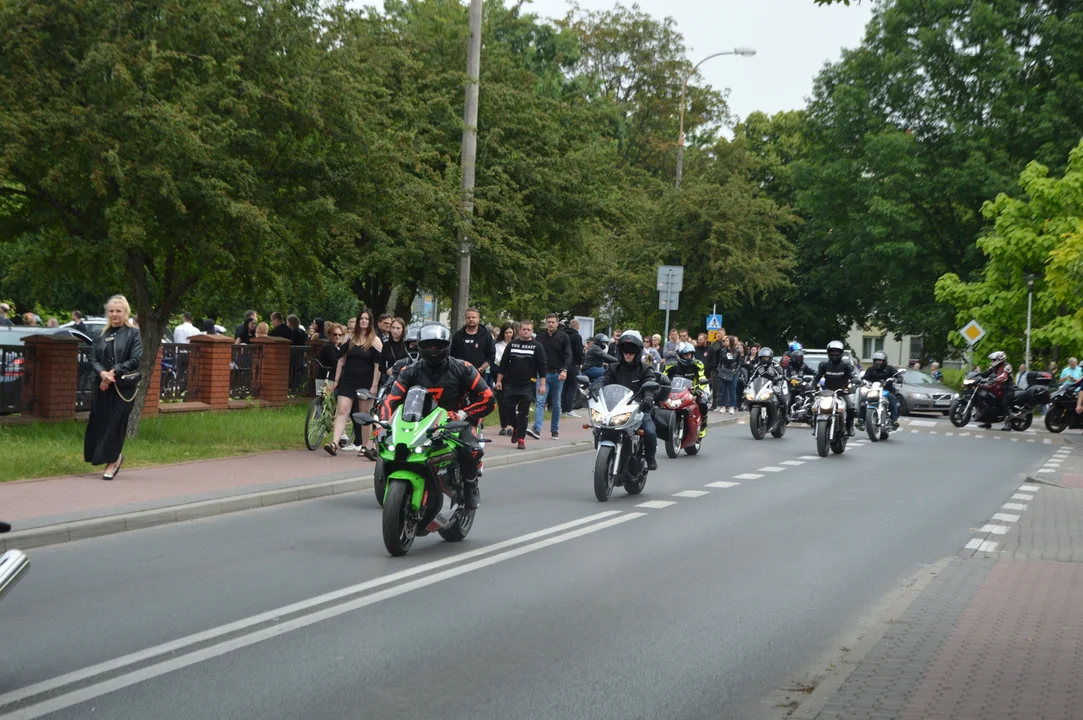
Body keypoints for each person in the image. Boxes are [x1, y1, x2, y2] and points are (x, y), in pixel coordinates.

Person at [380, 324, 494, 508]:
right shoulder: (409, 371)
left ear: (447, 345)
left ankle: (471, 485)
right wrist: (383, 422)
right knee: (391, 445)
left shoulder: (463, 368)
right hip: (419, 421)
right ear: (420, 345)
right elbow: (391, 399)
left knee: (471, 449)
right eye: (428, 345)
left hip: (455, 421)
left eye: (437, 345)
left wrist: (464, 413)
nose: (433, 349)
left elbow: (488, 398)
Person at [84, 295, 143, 480]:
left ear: (126, 313)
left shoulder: (133, 333)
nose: (114, 314)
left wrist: (112, 374)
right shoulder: (99, 334)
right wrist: (103, 374)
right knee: (101, 421)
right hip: (101, 385)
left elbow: (134, 360)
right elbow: (92, 358)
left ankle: (113, 461)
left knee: (115, 424)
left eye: (118, 311)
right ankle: (112, 455)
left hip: (122, 388)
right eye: (111, 311)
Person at [601, 330, 663, 470]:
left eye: (632, 350)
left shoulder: (645, 369)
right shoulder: (613, 368)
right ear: (620, 351)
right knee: (599, 426)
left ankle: (650, 457)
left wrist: (648, 396)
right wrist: (592, 390)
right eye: (625, 350)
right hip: (616, 408)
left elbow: (651, 383)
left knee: (649, 431)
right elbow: (603, 382)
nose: (628, 353)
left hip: (639, 409)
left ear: (638, 352)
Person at [326, 309, 383, 458]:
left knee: (364, 415)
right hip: (348, 380)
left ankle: (364, 446)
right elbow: (340, 361)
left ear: (370, 322)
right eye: (361, 318)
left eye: (366, 319)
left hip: (366, 382)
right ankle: (334, 444)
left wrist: (375, 385)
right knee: (342, 411)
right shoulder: (349, 338)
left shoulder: (375, 341)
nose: (364, 321)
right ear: (358, 321)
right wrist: (337, 380)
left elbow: (378, 365)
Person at [496, 320, 547, 450]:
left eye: (528, 330)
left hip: (528, 384)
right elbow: (504, 363)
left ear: (532, 331)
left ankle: (521, 439)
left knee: (523, 412)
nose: (526, 331)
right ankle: (516, 428)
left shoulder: (537, 346)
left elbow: (542, 367)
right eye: (523, 329)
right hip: (511, 383)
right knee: (508, 409)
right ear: (519, 331)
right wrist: (499, 381)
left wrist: (542, 385)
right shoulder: (512, 345)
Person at [530, 313, 571, 440]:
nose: (551, 324)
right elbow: (535, 354)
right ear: (546, 323)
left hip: (557, 374)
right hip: (542, 374)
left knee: (556, 403)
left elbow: (568, 355)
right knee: (540, 401)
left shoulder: (563, 337)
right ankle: (537, 429)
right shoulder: (540, 337)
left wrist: (564, 370)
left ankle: (554, 430)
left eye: (553, 322)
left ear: (557, 323)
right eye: (548, 322)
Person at [813, 340, 859, 436]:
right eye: (832, 351)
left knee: (851, 408)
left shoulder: (846, 365)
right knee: (815, 407)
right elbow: (817, 378)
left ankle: (849, 426)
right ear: (828, 352)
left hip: (842, 392)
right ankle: (816, 426)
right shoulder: (824, 365)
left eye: (837, 351)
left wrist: (854, 383)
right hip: (827, 392)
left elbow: (853, 376)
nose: (834, 354)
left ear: (841, 353)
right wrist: (812, 386)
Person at [664, 341, 709, 439]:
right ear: (680, 355)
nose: (689, 357)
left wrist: (700, 390)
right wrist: (661, 389)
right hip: (675, 392)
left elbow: (702, 377)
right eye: (686, 354)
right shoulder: (671, 365)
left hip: (694, 390)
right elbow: (663, 378)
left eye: (690, 354)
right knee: (659, 404)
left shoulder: (698, 364)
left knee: (703, 403)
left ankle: (703, 425)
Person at [450, 307, 496, 388]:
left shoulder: (486, 336)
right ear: (465, 319)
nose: (471, 319)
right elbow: (451, 355)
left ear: (478, 318)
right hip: (460, 376)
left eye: (473, 317)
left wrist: (482, 368)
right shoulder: (458, 335)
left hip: (479, 376)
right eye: (468, 317)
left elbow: (491, 355)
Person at [858, 351, 900, 430]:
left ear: (884, 361)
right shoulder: (871, 369)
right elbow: (865, 377)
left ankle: (893, 420)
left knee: (893, 399)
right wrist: (862, 381)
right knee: (863, 399)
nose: (878, 362)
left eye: (880, 361)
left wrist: (899, 378)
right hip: (873, 390)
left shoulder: (889, 368)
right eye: (877, 360)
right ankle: (861, 420)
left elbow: (897, 375)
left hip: (886, 391)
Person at [749, 347, 791, 420]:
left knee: (781, 398)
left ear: (770, 358)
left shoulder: (776, 365)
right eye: (762, 358)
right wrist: (748, 384)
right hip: (763, 385)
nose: (764, 359)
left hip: (775, 384)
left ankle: (785, 414)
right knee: (751, 396)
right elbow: (752, 376)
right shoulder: (757, 366)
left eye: (766, 358)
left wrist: (777, 378)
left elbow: (781, 375)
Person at [978, 350, 1012, 431]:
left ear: (1000, 359)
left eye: (994, 360)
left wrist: (994, 380)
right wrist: (975, 375)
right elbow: (985, 374)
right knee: (988, 401)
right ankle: (987, 422)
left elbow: (1004, 376)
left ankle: (1008, 423)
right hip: (996, 387)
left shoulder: (1007, 366)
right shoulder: (993, 367)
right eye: (992, 360)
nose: (992, 361)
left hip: (1006, 388)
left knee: (1004, 403)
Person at [493, 322, 516, 436]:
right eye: (506, 332)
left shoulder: (515, 344)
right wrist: (505, 362)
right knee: (502, 401)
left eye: (510, 332)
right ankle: (503, 425)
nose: (508, 335)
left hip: (513, 374)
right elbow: (496, 359)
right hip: (501, 373)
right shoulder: (498, 345)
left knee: (511, 401)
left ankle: (511, 425)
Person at [562, 319, 585, 418]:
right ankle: (569, 409)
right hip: (574, 363)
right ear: (578, 326)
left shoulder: (565, 335)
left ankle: (563, 408)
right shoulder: (577, 336)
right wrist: (581, 362)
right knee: (573, 387)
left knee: (565, 387)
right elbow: (579, 351)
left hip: (565, 364)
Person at [315, 323, 346, 395]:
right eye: (335, 334)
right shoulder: (327, 347)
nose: (337, 337)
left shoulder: (338, 348)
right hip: (326, 379)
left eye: (339, 335)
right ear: (329, 335)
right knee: (325, 402)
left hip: (332, 379)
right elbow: (335, 362)